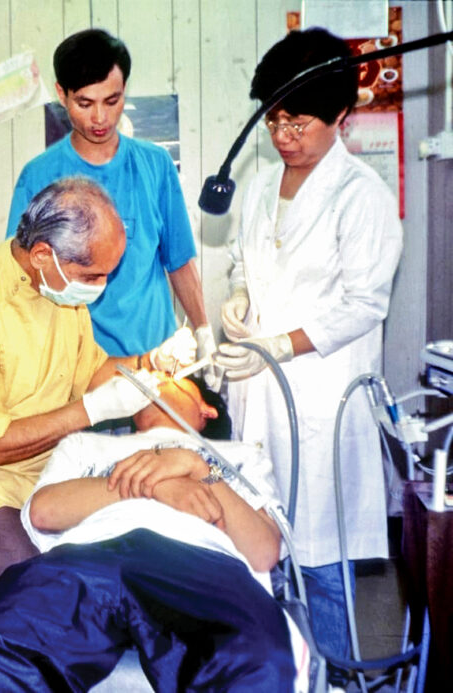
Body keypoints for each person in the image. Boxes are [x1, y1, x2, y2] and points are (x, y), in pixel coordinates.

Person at [0, 177, 185, 692]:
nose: (99, 286)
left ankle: (36, 676)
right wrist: (92, 410)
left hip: (43, 458)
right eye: (93, 275)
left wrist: (147, 365)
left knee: (115, 531)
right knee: (15, 559)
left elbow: (91, 373)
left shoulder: (60, 290)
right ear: (43, 254)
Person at [213, 27, 403, 664]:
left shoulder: (362, 196)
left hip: (323, 401)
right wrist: (240, 298)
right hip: (260, 399)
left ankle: (338, 674)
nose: (283, 135)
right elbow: (245, 263)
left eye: (299, 122)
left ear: (341, 115)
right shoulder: (263, 186)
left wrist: (280, 344)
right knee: (260, 556)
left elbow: (363, 305)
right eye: (274, 119)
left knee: (322, 564)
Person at [0, 376, 310, 692]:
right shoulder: (84, 445)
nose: (158, 382)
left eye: (176, 380)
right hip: (90, 554)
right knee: (0, 646)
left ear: (206, 409)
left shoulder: (239, 456)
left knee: (261, 663)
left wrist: (197, 467)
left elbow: (263, 551)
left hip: (201, 563)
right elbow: (44, 511)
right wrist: (157, 488)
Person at [4, 28, 216, 375]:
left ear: (124, 90)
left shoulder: (155, 166)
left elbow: (179, 260)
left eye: (112, 101)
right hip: (78, 370)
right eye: (85, 104)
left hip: (156, 358)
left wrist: (203, 329)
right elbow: (20, 277)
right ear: (61, 94)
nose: (100, 118)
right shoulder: (38, 176)